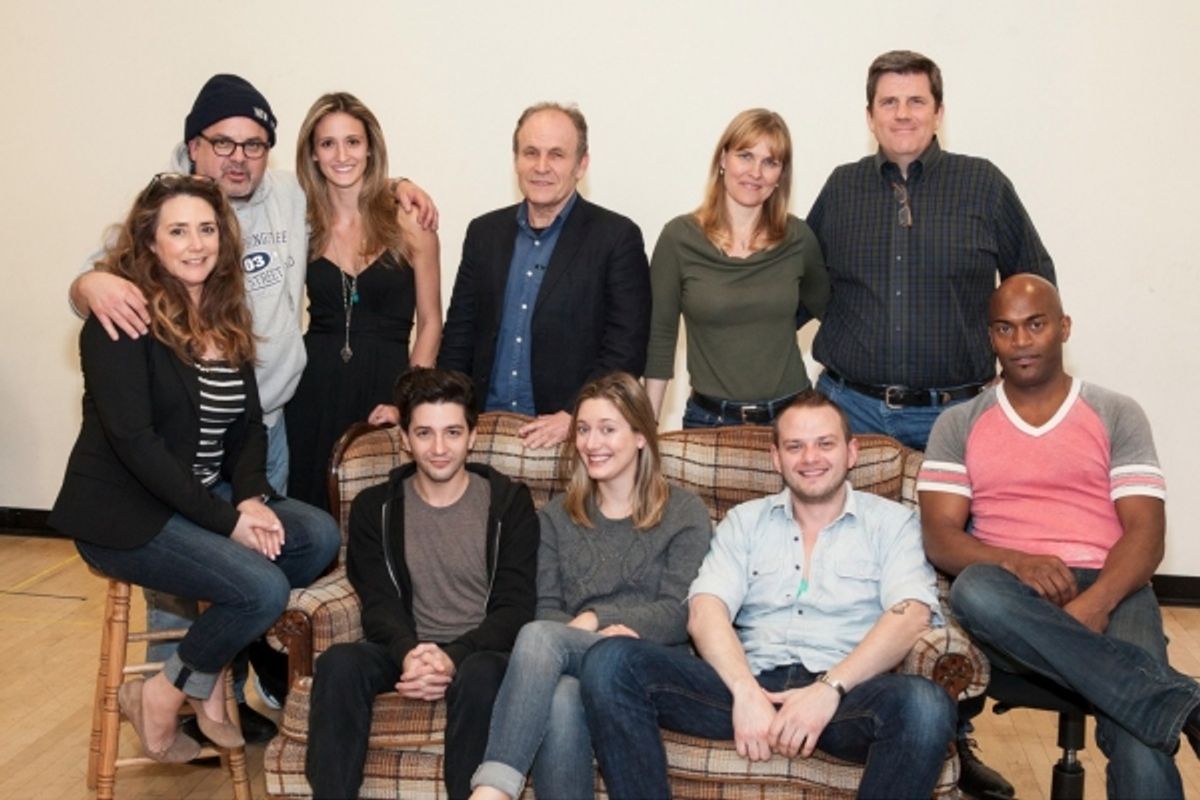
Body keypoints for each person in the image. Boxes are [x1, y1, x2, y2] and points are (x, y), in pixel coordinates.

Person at [66, 74, 438, 731]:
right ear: (193, 148)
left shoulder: (287, 211)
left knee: (305, 542)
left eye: (254, 144)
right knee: (224, 577)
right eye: (223, 143)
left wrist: (401, 185)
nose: (238, 157)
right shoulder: (156, 230)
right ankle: (184, 702)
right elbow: (105, 283)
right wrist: (87, 282)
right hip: (166, 463)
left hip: (257, 429)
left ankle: (210, 680)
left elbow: (349, 171)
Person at [48, 173, 341, 763]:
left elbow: (249, 427)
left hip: (200, 495)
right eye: (177, 231)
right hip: (125, 514)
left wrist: (253, 496)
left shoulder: (225, 313)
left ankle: (193, 678)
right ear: (150, 243)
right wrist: (227, 520)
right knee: (262, 588)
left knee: (316, 537)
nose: (196, 243)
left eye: (207, 229)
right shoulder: (122, 319)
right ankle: (158, 695)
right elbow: (138, 445)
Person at [579, 390, 956, 800]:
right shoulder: (746, 521)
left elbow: (912, 613)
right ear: (776, 458)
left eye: (824, 444)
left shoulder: (893, 523)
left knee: (926, 707)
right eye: (795, 446)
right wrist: (744, 692)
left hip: (846, 698)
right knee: (610, 659)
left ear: (852, 452)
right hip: (748, 684)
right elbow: (705, 610)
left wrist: (829, 690)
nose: (810, 458)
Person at [918, 274, 1200, 799]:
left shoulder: (1117, 412)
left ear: (1064, 328)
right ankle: (1184, 703)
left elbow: (1146, 532)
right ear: (991, 338)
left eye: (1036, 325)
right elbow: (939, 537)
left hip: (1115, 585)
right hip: (1013, 599)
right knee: (974, 588)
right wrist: (1017, 562)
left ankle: (1159, 701)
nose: (1020, 341)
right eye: (1005, 329)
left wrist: (1097, 602)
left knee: (1138, 728)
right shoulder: (959, 423)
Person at [468, 372, 711, 800]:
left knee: (541, 638)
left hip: (654, 662)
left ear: (640, 436)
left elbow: (680, 614)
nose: (591, 442)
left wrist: (598, 619)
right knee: (562, 694)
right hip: (578, 654)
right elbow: (545, 608)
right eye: (582, 429)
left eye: (607, 429)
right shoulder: (556, 517)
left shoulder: (684, 512)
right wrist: (592, 634)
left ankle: (492, 791)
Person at [305, 368, 540, 800]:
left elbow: (515, 608)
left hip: (481, 652)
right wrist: (411, 654)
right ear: (405, 439)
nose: (438, 448)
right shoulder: (373, 508)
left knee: (481, 675)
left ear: (472, 436)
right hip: (405, 649)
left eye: (452, 432)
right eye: (424, 433)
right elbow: (378, 604)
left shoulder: (510, 505)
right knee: (339, 663)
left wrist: (452, 658)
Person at [808, 50, 1056, 452]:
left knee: (957, 520)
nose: (902, 113)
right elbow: (795, 289)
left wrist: (1020, 382)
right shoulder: (841, 189)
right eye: (889, 102)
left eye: (916, 101)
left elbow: (1036, 288)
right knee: (843, 520)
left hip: (957, 416)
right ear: (870, 117)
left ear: (939, 112)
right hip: (849, 413)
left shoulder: (983, 185)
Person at [438, 102, 651, 449]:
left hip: (572, 437)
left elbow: (625, 350)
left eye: (556, 155)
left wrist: (576, 416)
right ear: (515, 159)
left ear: (581, 164)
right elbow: (459, 337)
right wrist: (449, 419)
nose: (541, 167)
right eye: (530, 153)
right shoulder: (484, 233)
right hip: (485, 434)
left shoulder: (616, 237)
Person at [285, 91, 442, 510]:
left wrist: (408, 403)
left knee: (382, 513)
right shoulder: (300, 225)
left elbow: (430, 322)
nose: (342, 155)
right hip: (310, 391)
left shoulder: (410, 222)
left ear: (370, 148)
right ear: (313, 154)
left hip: (386, 388)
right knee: (309, 508)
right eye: (328, 143)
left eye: (352, 142)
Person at [644, 109, 829, 428]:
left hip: (793, 421)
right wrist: (645, 433)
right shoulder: (679, 238)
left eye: (770, 162)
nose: (755, 172)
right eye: (745, 155)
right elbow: (660, 339)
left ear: (780, 175)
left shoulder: (797, 238)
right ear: (722, 159)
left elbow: (832, 311)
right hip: (709, 420)